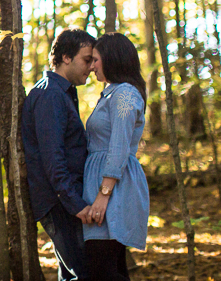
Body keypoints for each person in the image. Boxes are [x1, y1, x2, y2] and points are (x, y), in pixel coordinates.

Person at [23, 28, 97, 281]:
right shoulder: (50, 95)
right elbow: (52, 158)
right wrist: (76, 205)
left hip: (66, 200)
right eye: (87, 60)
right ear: (66, 57)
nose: (91, 66)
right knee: (84, 274)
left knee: (71, 276)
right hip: (61, 203)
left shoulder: (61, 92)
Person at [82, 32, 150, 281]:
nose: (91, 67)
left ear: (112, 59)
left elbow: (120, 146)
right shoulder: (111, 92)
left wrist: (104, 195)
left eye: (96, 60)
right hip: (101, 187)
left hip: (113, 189)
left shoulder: (124, 94)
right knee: (111, 266)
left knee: (101, 270)